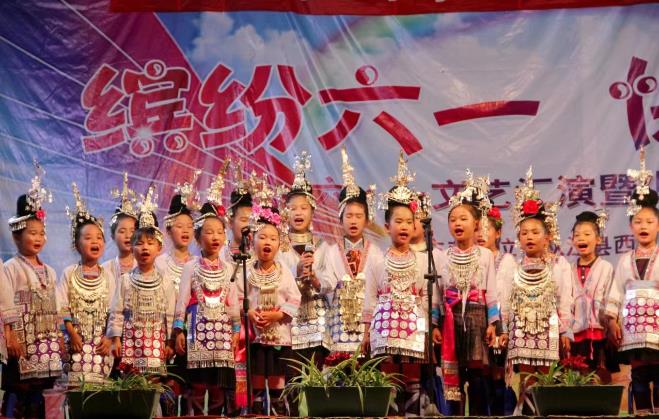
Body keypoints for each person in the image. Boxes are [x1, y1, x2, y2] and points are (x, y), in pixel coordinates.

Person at [501, 167, 573, 414]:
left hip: (548, 327)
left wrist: (565, 330)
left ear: (548, 236)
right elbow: (507, 300)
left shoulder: (558, 264)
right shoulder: (513, 266)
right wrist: (504, 329)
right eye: (524, 233)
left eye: (535, 232)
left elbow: (564, 299)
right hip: (521, 327)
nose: (529, 237)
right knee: (525, 376)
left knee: (546, 376)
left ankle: (544, 411)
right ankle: (526, 410)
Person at [173, 170, 239, 415]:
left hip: (222, 333)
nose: (215, 237)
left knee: (219, 385)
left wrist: (236, 330)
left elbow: (233, 302)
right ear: (198, 237)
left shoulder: (229, 268)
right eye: (209, 232)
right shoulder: (190, 266)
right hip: (196, 331)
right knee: (198, 385)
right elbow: (182, 300)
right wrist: (178, 331)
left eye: (219, 232)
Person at [435, 170, 501, 415]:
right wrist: (435, 324)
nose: (458, 224)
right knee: (453, 377)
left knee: (476, 376)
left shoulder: (485, 255)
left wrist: (493, 324)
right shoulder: (443, 257)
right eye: (453, 219)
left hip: (476, 318)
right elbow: (437, 296)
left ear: (476, 224)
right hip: (451, 320)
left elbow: (491, 292)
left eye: (463, 218)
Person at [238, 173, 301, 415]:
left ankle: (277, 410)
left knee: (276, 380)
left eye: (273, 238)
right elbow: (238, 298)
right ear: (252, 240)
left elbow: (295, 298)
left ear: (279, 243)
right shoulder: (246, 270)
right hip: (254, 336)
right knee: (256, 379)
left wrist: (277, 315)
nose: (267, 242)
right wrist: (249, 313)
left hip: (279, 336)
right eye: (262, 237)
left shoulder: (284, 271)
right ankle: (255, 411)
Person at [2, 163, 61, 418]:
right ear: (17, 236)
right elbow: (4, 304)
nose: (38, 238)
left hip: (45, 345)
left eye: (41, 233)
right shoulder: (10, 268)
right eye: (31, 233)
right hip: (21, 343)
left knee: (40, 393)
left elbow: (55, 308)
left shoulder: (50, 271)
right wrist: (10, 337)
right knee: (18, 391)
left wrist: (58, 337)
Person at [606, 149, 659, 413]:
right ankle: (642, 413)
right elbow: (616, 291)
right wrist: (612, 319)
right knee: (638, 374)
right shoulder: (625, 260)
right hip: (633, 327)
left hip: (658, 324)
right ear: (631, 227)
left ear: (658, 225)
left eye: (649, 221)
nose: (643, 226)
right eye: (638, 221)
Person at [318, 148, 383, 354]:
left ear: (367, 219)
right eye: (348, 216)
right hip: (340, 322)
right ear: (340, 219)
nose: (353, 221)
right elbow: (327, 283)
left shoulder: (375, 252)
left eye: (358, 216)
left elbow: (379, 289)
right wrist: (313, 279)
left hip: (367, 323)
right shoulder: (331, 251)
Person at [106, 186, 176, 374]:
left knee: (153, 383)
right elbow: (117, 312)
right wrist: (115, 339)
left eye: (150, 243)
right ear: (132, 248)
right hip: (131, 343)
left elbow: (169, 315)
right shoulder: (125, 280)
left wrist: (169, 342)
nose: (145, 248)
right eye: (139, 243)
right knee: (131, 383)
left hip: (156, 343)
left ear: (159, 248)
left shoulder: (165, 281)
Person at [57, 183, 114, 383]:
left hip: (101, 346)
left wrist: (109, 338)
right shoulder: (69, 273)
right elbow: (62, 307)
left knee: (98, 392)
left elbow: (114, 311)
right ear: (77, 244)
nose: (95, 241)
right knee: (75, 390)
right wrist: (72, 334)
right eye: (88, 238)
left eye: (99, 237)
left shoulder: (108, 275)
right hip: (75, 344)